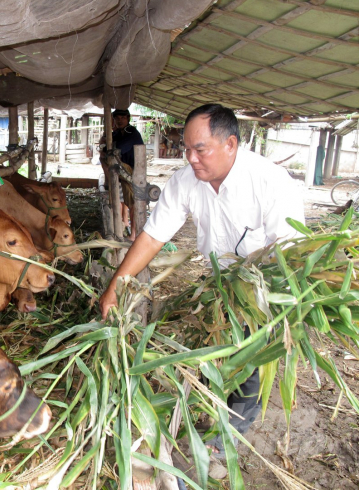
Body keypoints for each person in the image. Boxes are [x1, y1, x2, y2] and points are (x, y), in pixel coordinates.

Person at [99, 103, 305, 478]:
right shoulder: (185, 181)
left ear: (230, 143)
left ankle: (222, 442)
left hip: (263, 291)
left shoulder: (271, 182)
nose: (190, 158)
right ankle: (209, 416)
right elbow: (153, 236)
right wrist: (115, 287)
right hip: (217, 285)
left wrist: (277, 310)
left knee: (251, 369)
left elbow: (291, 254)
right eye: (186, 149)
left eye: (200, 149)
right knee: (211, 354)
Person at [99, 108, 145, 237]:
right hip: (122, 171)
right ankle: (125, 226)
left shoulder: (132, 133)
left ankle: (134, 235)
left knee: (134, 204)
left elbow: (115, 149)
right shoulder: (119, 133)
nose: (119, 120)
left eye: (122, 118)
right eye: (117, 118)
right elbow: (105, 146)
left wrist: (107, 147)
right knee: (125, 201)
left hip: (133, 172)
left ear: (128, 119)